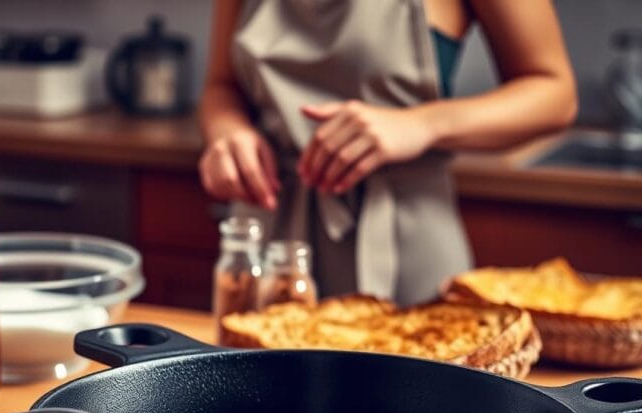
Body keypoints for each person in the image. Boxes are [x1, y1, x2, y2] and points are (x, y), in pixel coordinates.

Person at [198, 0, 577, 305]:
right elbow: (222, 86)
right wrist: (227, 131)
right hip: (268, 232)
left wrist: (422, 124)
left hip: (404, 239)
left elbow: (555, 93)